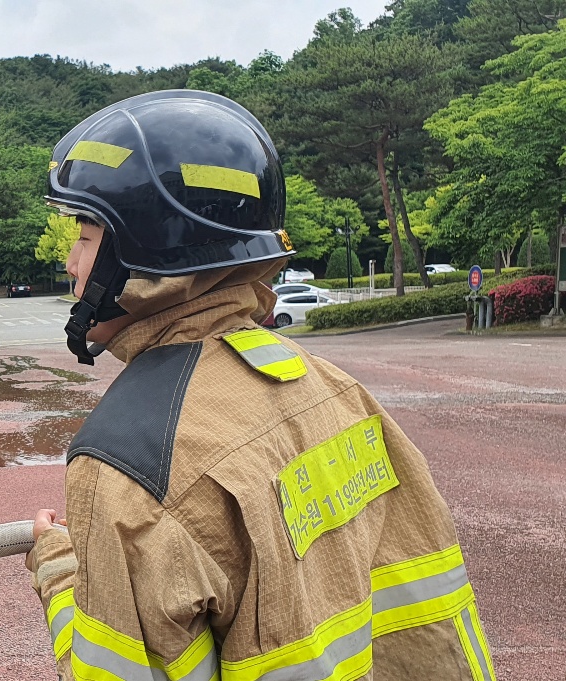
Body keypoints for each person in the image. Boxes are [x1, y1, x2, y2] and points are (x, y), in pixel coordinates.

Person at [25, 91, 497, 681]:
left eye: (86, 235)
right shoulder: (333, 390)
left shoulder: (131, 465)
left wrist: (62, 572)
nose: (70, 261)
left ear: (143, 247)